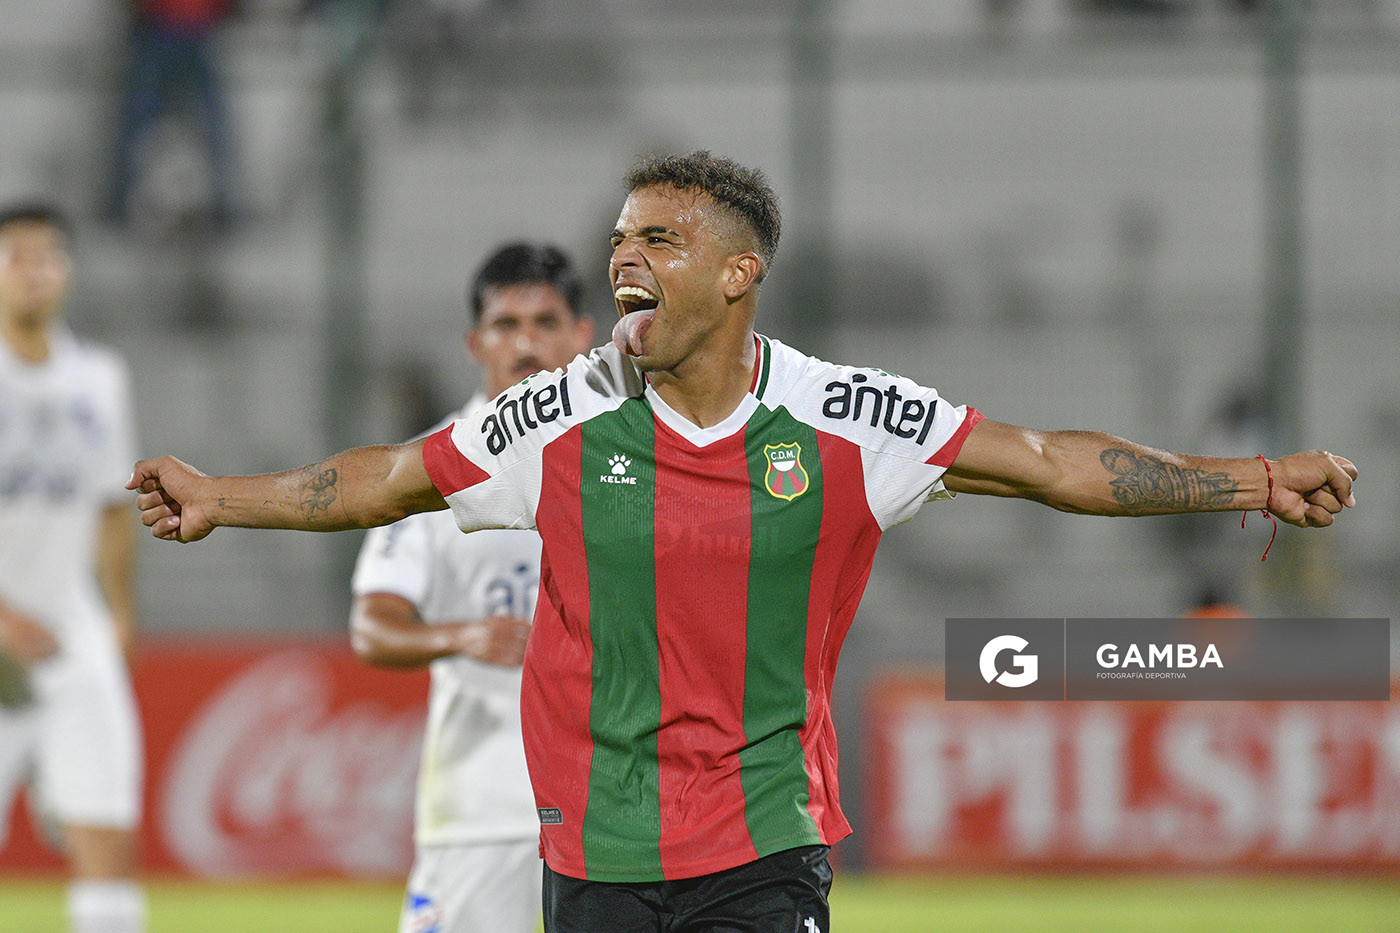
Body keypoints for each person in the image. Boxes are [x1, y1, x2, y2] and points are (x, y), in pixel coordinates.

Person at [130, 152, 1358, 932]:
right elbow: (389, 479)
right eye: (621, 237)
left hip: (762, 845)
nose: (624, 255)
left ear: (736, 273)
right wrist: (220, 495)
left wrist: (1248, 480)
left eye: (658, 239)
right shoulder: (559, 414)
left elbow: (1049, 466)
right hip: (592, 851)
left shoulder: (848, 417)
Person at [349, 243, 593, 933]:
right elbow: (372, 625)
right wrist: (463, 633)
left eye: (545, 322)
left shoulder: (629, 458)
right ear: (474, 342)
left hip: (610, 807)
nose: (525, 343)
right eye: (505, 324)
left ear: (582, 335)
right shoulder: (430, 469)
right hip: (484, 809)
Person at [0, 204, 145, 933]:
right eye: (16, 255)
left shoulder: (99, 378)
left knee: (104, 834)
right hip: (3, 631)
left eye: (48, 256)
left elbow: (112, 510)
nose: (34, 271)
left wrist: (119, 614)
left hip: (71, 631)